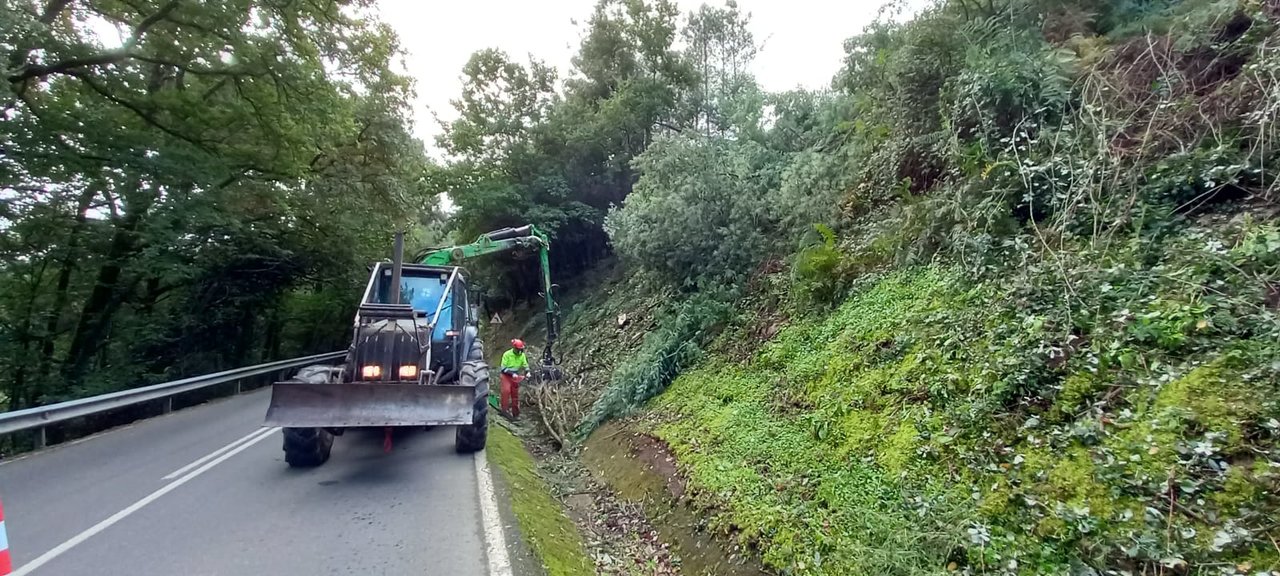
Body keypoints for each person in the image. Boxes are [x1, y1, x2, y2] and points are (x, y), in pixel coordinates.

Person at [499, 339, 529, 419]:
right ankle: (504, 410)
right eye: (518, 349)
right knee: (506, 391)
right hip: (506, 376)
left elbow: (525, 365)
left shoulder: (522, 355)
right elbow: (503, 368)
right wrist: (512, 374)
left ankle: (516, 413)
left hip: (515, 376)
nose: (520, 351)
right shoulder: (507, 354)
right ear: (515, 348)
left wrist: (527, 371)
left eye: (521, 350)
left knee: (515, 394)